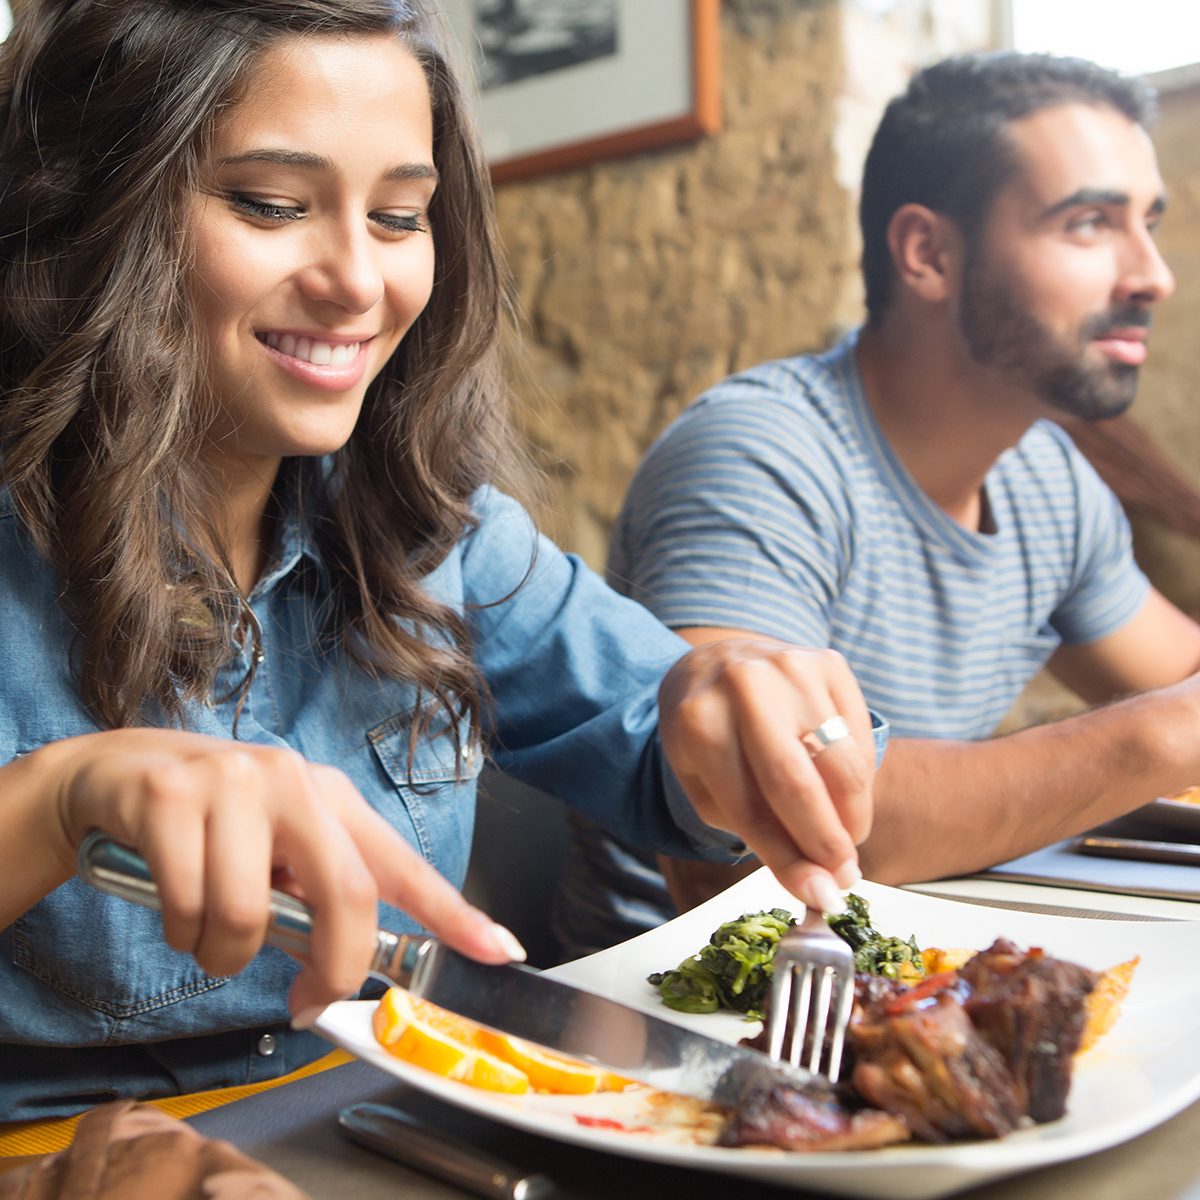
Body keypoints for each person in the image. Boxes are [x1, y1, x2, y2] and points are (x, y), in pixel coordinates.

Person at [0, 0, 885, 1120]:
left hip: (386, 1129)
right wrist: (55, 802)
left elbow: (673, 751)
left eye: (400, 216)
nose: (358, 284)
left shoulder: (431, 530)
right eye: (272, 206)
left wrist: (740, 714)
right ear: (90, 209)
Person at [554, 50, 1200, 959]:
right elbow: (774, 829)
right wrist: (1164, 736)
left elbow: (1179, 679)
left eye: (1149, 223)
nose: (1152, 276)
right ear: (928, 253)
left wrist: (1176, 724)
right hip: (673, 1012)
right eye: (1089, 224)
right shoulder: (760, 456)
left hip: (915, 969)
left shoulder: (1047, 476)